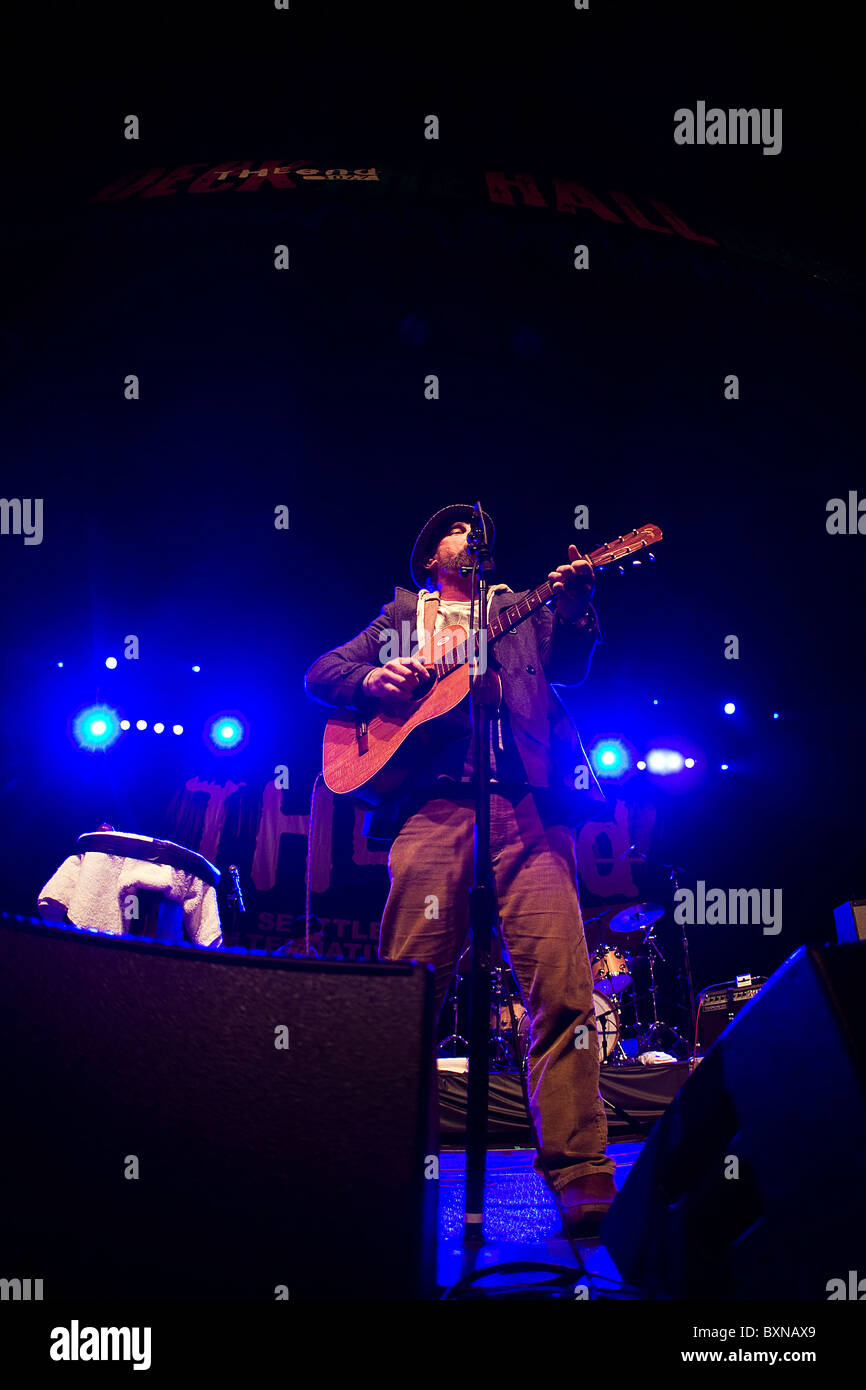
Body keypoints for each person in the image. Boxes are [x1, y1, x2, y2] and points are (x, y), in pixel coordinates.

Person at [304, 503, 616, 1235]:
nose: (468, 536)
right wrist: (372, 682)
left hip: (527, 811)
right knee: (409, 991)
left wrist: (575, 610)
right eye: (454, 529)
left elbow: (569, 670)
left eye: (475, 530)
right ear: (431, 555)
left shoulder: (517, 607)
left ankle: (579, 1172)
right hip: (434, 812)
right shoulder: (401, 615)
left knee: (565, 991)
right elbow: (323, 673)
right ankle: (383, 1158)